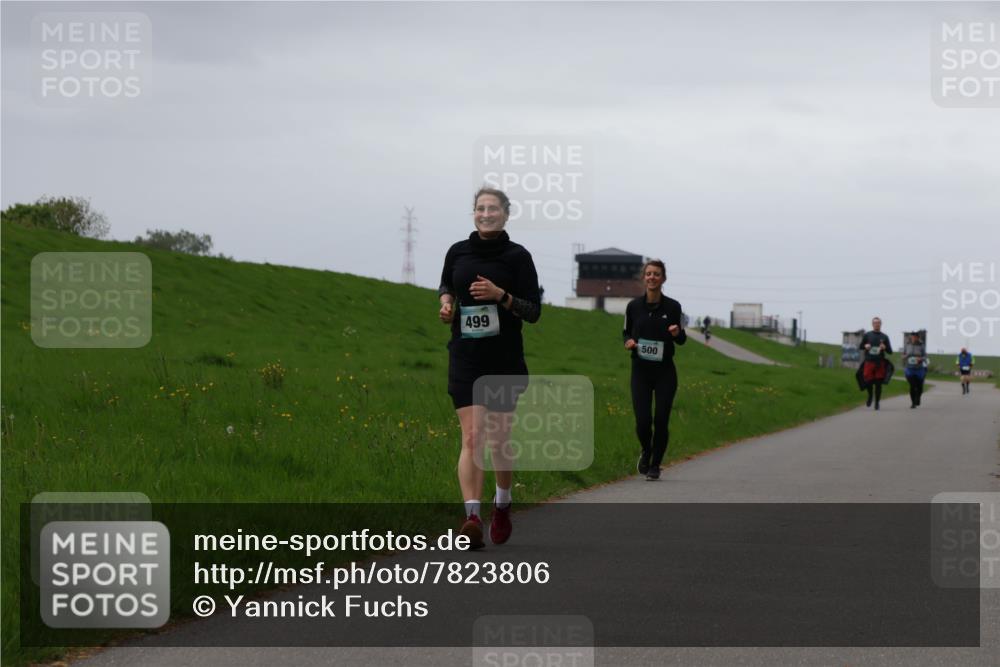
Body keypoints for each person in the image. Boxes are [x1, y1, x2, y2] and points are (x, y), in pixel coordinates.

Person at [438, 187, 541, 549]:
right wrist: (447, 303)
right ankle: (472, 518)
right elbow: (446, 285)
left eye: (493, 209)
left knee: (498, 440)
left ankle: (502, 503)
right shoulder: (457, 251)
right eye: (480, 208)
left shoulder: (518, 256)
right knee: (472, 437)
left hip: (504, 359)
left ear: (505, 214)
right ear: (474, 213)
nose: (486, 214)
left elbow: (533, 311)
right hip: (465, 356)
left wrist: (501, 296)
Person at [623, 260, 687, 480]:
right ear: (644, 277)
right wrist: (629, 341)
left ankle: (655, 465)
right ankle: (647, 451)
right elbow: (626, 333)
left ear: (663, 278)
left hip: (664, 373)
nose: (652, 277)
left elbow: (682, 340)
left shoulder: (673, 307)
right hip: (640, 372)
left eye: (656, 274)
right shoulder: (633, 307)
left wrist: (677, 332)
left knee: (660, 419)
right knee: (642, 421)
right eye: (648, 273)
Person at [859, 317, 893, 410]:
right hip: (869, 361)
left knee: (878, 384)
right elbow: (861, 346)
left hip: (879, 362)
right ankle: (870, 396)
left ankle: (877, 402)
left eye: (878, 323)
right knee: (868, 382)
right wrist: (865, 346)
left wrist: (884, 347)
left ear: (881, 324)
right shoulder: (867, 335)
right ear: (872, 324)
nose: (877, 325)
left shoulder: (885, 337)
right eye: (875, 323)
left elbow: (890, 351)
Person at [901, 332, 927, 409]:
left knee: (920, 387)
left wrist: (920, 359)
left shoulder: (921, 345)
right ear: (911, 337)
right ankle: (913, 403)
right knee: (913, 385)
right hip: (909, 368)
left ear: (918, 337)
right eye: (912, 337)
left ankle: (918, 398)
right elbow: (903, 355)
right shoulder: (907, 345)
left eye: (915, 337)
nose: (914, 338)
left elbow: (925, 356)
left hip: (919, 369)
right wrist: (904, 356)